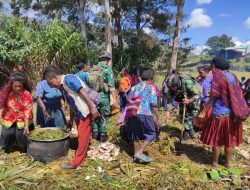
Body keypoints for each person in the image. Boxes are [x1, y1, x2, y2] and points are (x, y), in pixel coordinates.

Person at [43, 65, 100, 169]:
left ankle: (76, 162)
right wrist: (71, 120)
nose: (51, 86)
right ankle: (83, 152)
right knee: (83, 135)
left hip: (85, 111)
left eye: (51, 83)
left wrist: (92, 107)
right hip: (80, 112)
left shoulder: (69, 79)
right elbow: (71, 103)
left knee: (83, 136)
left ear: (54, 77)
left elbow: (82, 92)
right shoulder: (63, 86)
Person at [198, 57, 244, 168]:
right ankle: (228, 164)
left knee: (217, 140)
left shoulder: (218, 77)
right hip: (234, 114)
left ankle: (214, 163)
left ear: (214, 66)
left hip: (220, 114)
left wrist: (203, 111)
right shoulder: (233, 76)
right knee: (230, 140)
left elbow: (213, 97)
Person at [126, 70, 160, 163]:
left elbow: (128, 102)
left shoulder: (133, 87)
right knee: (152, 133)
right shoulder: (151, 87)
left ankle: (136, 155)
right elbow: (153, 105)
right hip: (145, 113)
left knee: (135, 134)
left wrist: (125, 117)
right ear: (151, 79)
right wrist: (158, 117)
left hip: (133, 113)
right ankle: (140, 152)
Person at [0, 72, 33, 152]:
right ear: (11, 85)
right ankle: (8, 147)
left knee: (20, 134)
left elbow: (27, 110)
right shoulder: (6, 93)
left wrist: (26, 125)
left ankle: (24, 149)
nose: (17, 88)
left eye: (20, 86)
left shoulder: (26, 94)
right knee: (6, 133)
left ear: (23, 85)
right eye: (15, 86)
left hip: (22, 118)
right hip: (9, 117)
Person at [90, 51, 118, 142]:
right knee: (104, 116)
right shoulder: (108, 69)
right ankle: (103, 135)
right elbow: (112, 86)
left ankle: (94, 133)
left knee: (95, 115)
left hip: (93, 97)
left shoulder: (92, 69)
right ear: (108, 60)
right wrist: (115, 100)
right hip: (103, 97)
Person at [165, 73, 201, 141]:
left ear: (177, 84)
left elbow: (199, 94)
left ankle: (187, 135)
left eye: (173, 87)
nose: (172, 89)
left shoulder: (188, 83)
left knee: (189, 117)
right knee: (182, 117)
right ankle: (192, 133)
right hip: (182, 99)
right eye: (170, 87)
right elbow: (169, 101)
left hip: (193, 99)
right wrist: (168, 111)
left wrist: (189, 100)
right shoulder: (171, 87)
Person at [194, 65, 213, 129]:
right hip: (200, 101)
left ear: (207, 71)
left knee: (207, 116)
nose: (199, 74)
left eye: (201, 72)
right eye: (199, 72)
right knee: (200, 116)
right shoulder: (199, 80)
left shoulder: (211, 79)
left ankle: (207, 128)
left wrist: (210, 93)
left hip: (208, 102)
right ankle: (201, 127)